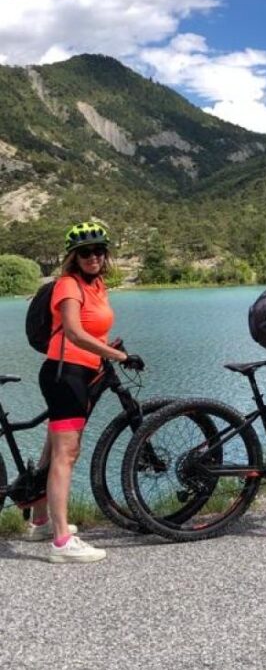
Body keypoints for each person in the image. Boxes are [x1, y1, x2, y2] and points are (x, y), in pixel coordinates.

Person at [28, 221, 145, 562]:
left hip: (84, 371)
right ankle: (62, 543)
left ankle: (40, 520)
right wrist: (120, 357)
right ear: (73, 257)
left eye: (98, 251)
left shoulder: (97, 285)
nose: (93, 257)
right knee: (67, 454)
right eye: (85, 253)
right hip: (66, 374)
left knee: (55, 447)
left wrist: (111, 349)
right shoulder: (68, 285)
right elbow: (75, 333)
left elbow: (93, 329)